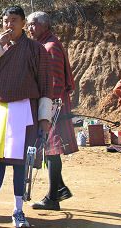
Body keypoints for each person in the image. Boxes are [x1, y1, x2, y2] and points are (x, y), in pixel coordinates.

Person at [0, 5, 53, 227]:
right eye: (6, 20)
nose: (9, 25)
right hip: (0, 111)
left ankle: (18, 211)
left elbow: (46, 86)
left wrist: (44, 120)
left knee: (20, 164)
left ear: (23, 23)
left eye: (14, 20)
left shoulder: (36, 50)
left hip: (25, 112)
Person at [26, 11, 78, 210]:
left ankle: (53, 198)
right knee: (50, 150)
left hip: (54, 106)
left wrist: (47, 109)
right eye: (29, 25)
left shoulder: (50, 47)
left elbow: (55, 82)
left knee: (52, 151)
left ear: (44, 25)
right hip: (51, 104)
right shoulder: (47, 45)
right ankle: (60, 188)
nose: (30, 29)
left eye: (33, 24)